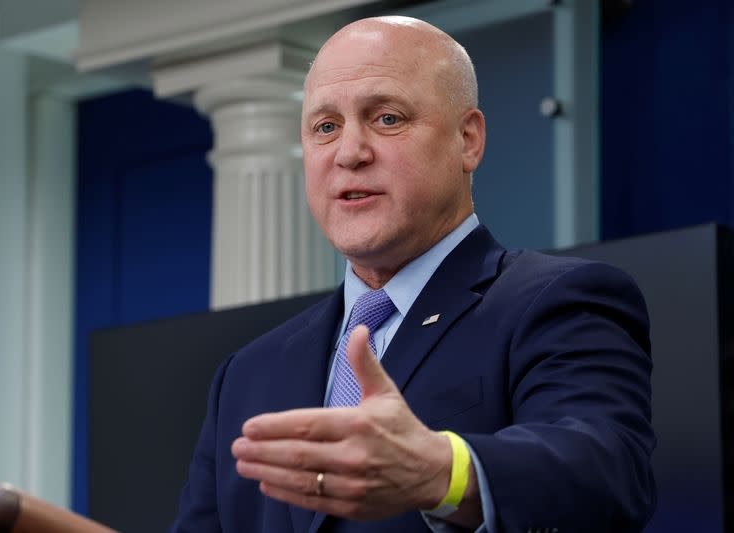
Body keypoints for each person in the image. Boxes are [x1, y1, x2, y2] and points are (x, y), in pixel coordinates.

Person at [169, 16, 656, 533]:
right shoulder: (248, 373)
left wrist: (441, 474)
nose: (350, 153)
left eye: (387, 118)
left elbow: (607, 473)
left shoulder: (556, 300)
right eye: (325, 127)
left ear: (468, 140)